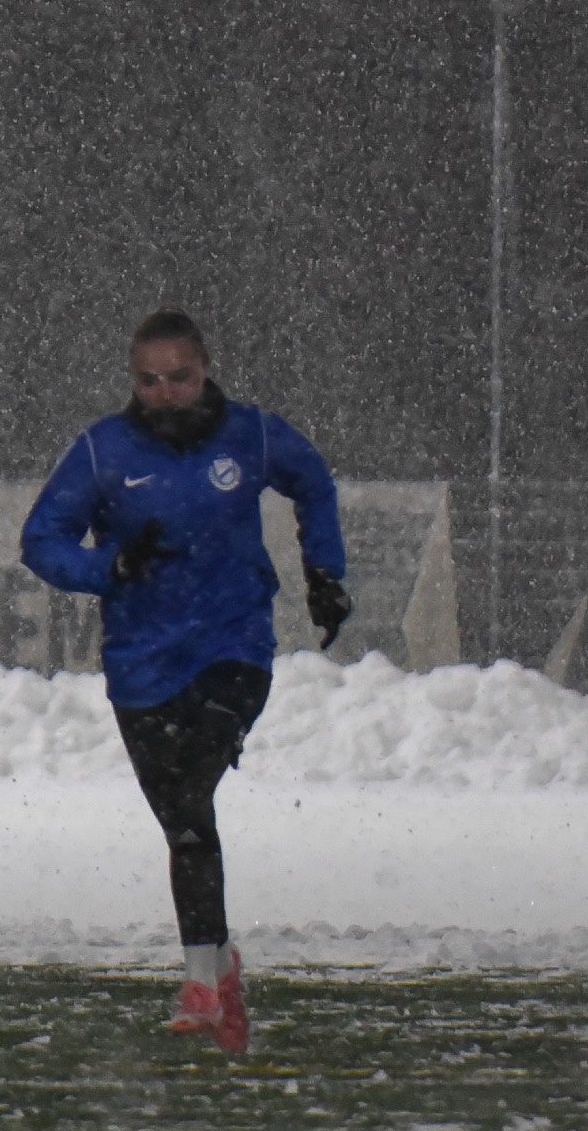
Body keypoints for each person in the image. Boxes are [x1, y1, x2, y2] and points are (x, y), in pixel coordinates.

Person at [18, 308, 348, 1056]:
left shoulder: (252, 437)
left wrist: (324, 571)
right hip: (141, 666)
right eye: (149, 379)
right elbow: (41, 540)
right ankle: (219, 965)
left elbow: (314, 482)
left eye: (181, 377)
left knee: (192, 799)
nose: (166, 392)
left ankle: (201, 982)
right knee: (184, 822)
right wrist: (111, 567)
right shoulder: (104, 452)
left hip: (233, 646)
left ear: (206, 371)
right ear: (132, 381)